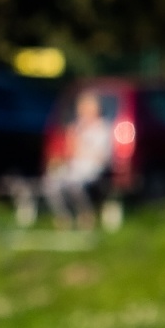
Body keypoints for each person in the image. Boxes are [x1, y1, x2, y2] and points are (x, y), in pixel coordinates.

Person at [43, 91, 112, 230]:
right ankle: (64, 217)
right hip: (74, 167)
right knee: (50, 184)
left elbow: (102, 157)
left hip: (92, 169)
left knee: (75, 185)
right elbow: (70, 153)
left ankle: (86, 215)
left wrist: (80, 146)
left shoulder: (104, 129)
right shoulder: (77, 128)